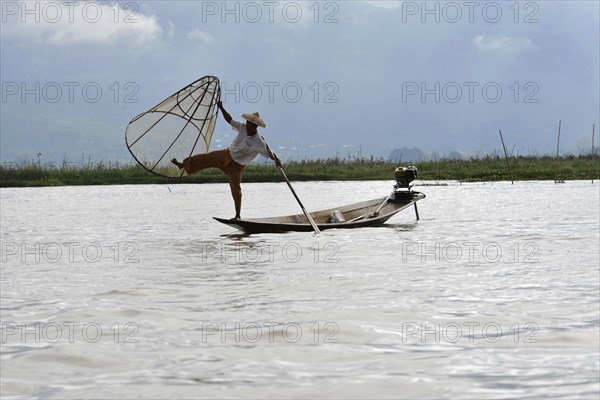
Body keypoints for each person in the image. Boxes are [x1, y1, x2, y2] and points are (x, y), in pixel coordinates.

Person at [171, 100, 282, 220]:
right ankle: (183, 164)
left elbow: (270, 153)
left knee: (236, 190)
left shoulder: (259, 142)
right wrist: (221, 107)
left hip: (236, 166)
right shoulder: (242, 127)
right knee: (204, 158)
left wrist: (277, 160)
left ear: (254, 126)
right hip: (225, 154)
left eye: (249, 123)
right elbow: (229, 119)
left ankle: (238, 216)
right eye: (247, 122)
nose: (247, 124)